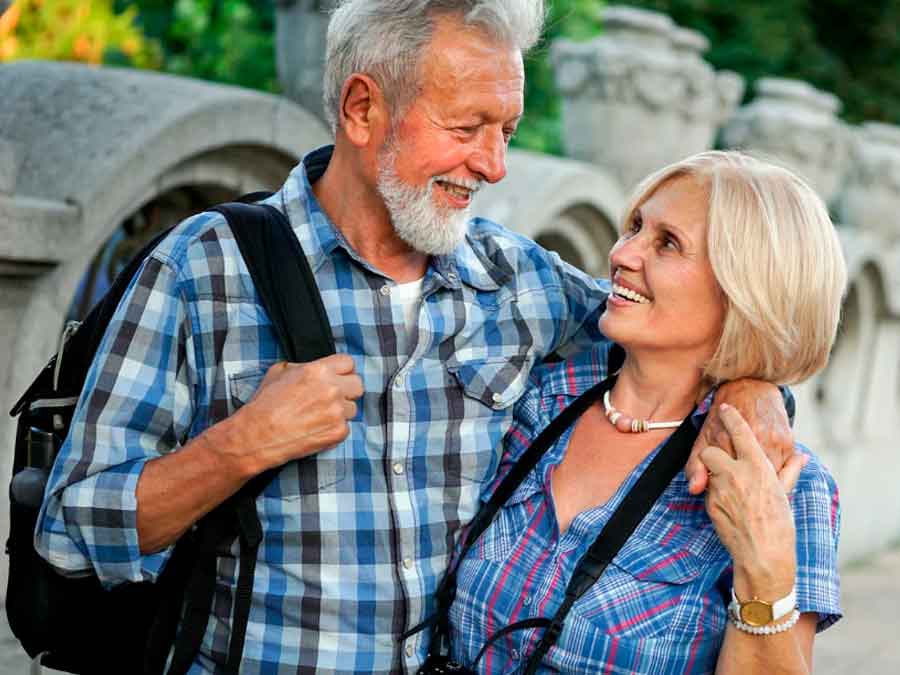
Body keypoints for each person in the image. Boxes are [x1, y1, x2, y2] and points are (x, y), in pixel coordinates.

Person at [33, 1, 792, 672]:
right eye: (467, 128)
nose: (494, 165)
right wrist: (240, 445)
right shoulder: (205, 266)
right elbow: (69, 528)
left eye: (507, 131)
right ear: (362, 109)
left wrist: (755, 386)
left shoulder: (515, 278)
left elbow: (677, 327)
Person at [446, 151, 846, 674]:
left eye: (667, 243)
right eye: (635, 226)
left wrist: (764, 571)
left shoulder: (782, 480)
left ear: (744, 291)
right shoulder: (538, 398)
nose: (624, 253)